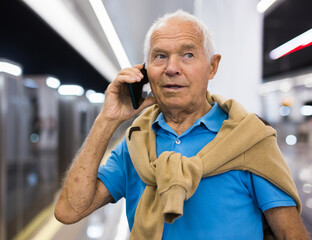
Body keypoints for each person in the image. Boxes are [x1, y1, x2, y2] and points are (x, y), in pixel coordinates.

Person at [54, 10, 309, 239]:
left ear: (212, 66)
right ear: (145, 72)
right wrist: (106, 120)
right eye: (160, 56)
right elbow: (69, 210)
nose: (172, 68)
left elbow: (291, 235)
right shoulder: (135, 143)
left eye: (188, 55)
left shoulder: (250, 139)